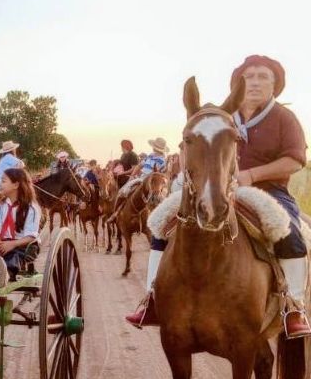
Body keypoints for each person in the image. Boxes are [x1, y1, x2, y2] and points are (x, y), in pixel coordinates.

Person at [126, 54, 311, 338]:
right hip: (215, 188)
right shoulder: (221, 117)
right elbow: (190, 146)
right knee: (161, 222)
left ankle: (294, 307)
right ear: (238, 85)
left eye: (263, 77)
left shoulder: (283, 118)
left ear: (275, 85)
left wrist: (252, 175)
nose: (255, 82)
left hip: (268, 190)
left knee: (290, 232)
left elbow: (295, 160)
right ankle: (152, 298)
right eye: (249, 77)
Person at [0, 168, 42, 286]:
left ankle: (6, 273)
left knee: (14, 256)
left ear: (16, 185)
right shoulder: (0, 205)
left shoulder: (31, 208)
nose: (0, 184)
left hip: (23, 245)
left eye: (3, 181)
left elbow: (31, 235)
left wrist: (12, 244)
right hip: (2, 243)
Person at [107, 137, 168, 221]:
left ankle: (161, 220)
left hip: (153, 181)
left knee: (159, 199)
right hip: (141, 178)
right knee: (122, 191)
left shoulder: (163, 160)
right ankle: (116, 213)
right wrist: (132, 177)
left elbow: (161, 175)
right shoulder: (150, 156)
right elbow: (139, 166)